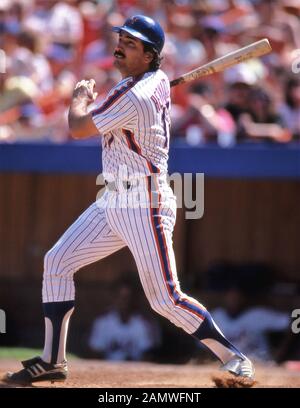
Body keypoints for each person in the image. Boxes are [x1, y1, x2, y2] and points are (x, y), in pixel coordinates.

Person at [5, 15, 254, 385]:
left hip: (144, 202)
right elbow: (141, 93)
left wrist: (79, 99)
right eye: (121, 38)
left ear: (152, 56)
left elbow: (77, 127)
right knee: (57, 261)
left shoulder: (135, 93)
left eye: (132, 44)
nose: (120, 46)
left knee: (164, 299)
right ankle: (52, 359)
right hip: (114, 198)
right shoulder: (150, 84)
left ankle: (235, 357)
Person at [88, 280, 160, 361]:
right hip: (108, 369)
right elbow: (95, 352)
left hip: (136, 370)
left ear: (134, 299)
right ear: (114, 298)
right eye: (120, 297)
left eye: (128, 297)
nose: (124, 301)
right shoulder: (102, 322)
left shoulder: (144, 322)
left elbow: (149, 354)